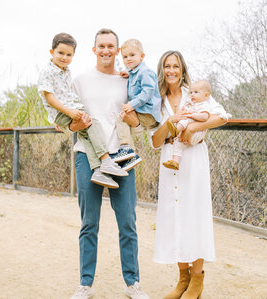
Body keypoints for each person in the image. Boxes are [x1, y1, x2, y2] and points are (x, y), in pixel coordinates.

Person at [69, 29, 150, 299]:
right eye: (101, 46)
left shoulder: (128, 81)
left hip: (122, 157)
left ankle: (132, 284)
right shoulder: (80, 80)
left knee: (127, 222)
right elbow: (68, 120)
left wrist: (136, 123)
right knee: (89, 223)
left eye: (111, 46)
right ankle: (85, 285)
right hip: (88, 157)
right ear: (94, 50)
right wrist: (73, 124)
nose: (106, 50)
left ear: (117, 51)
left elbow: (138, 123)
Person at [150, 50, 230, 299]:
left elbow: (222, 117)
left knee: (195, 215)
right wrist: (170, 122)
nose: (171, 71)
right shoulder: (157, 99)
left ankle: (197, 279)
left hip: (193, 158)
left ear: (182, 69)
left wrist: (192, 126)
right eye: (167, 66)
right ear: (161, 70)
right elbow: (155, 141)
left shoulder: (195, 92)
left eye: (175, 66)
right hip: (169, 160)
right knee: (175, 216)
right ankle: (182, 279)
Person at [38, 33, 128, 190]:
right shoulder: (48, 71)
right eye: (60, 53)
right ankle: (106, 160)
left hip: (69, 110)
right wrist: (69, 113)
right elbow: (50, 98)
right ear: (52, 52)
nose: (64, 57)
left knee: (88, 136)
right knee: (94, 124)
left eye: (69, 54)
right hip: (64, 112)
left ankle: (98, 170)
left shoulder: (66, 72)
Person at [111, 39, 161, 169]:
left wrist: (132, 105)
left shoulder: (145, 72)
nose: (128, 59)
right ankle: (128, 154)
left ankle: (127, 150)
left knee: (122, 119)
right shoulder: (134, 73)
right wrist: (128, 74)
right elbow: (135, 79)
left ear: (142, 56)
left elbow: (147, 91)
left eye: (132, 55)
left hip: (148, 113)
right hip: (144, 113)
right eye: (125, 57)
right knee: (126, 126)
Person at [162, 80, 212, 170]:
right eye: (191, 92)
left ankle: (176, 130)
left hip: (196, 134)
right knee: (178, 144)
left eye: (196, 92)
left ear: (206, 95)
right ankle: (175, 162)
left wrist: (191, 115)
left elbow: (205, 117)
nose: (192, 94)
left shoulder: (204, 105)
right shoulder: (193, 104)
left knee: (186, 118)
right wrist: (186, 108)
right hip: (185, 136)